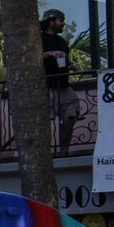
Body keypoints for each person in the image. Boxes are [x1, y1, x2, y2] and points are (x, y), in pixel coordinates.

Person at [41, 9, 81, 147]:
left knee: (71, 116)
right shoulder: (39, 39)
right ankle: (45, 152)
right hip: (48, 85)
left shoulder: (62, 41)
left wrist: (71, 65)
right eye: (60, 20)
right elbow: (32, 61)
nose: (63, 24)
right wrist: (49, 54)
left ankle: (64, 150)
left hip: (63, 84)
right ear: (51, 21)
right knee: (44, 121)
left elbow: (63, 58)